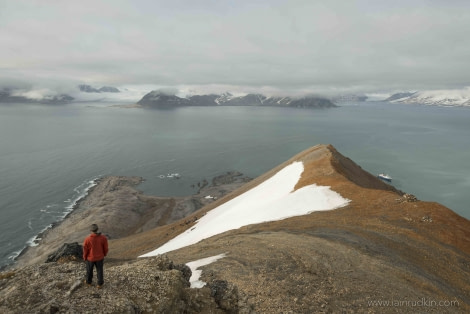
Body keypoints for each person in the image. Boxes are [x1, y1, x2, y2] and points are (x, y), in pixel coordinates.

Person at [83, 224, 108, 288]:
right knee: (100, 270)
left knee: (89, 270)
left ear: (91, 230)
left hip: (90, 258)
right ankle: (99, 284)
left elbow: (85, 250)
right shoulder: (103, 238)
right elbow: (105, 248)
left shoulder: (87, 239)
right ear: (97, 229)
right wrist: (104, 254)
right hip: (100, 257)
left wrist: (85, 257)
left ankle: (89, 282)